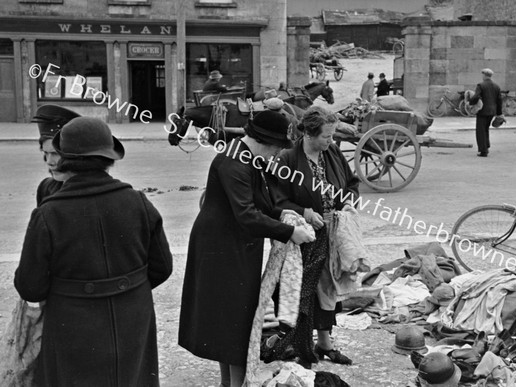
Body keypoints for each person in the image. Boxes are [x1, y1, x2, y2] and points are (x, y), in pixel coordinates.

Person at [14, 117, 173, 386]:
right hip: (132, 317)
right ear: (108, 157)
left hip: (71, 322)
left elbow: (30, 286)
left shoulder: (48, 214)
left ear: (64, 158)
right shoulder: (138, 203)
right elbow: (162, 267)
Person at [178, 110, 315, 387]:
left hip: (233, 245)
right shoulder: (235, 163)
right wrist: (290, 232)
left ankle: (231, 383)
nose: (277, 155)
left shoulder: (246, 157)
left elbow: (263, 204)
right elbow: (247, 215)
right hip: (222, 249)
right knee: (236, 323)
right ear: (267, 143)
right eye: (277, 149)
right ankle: (235, 384)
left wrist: (287, 215)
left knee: (232, 320)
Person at [271, 106, 360, 368]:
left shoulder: (331, 153)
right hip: (303, 238)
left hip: (333, 233)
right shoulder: (287, 159)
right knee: (302, 294)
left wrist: (348, 204)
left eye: (332, 136)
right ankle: (301, 346)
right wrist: (305, 212)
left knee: (328, 292)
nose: (331, 141)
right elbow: (275, 202)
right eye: (327, 136)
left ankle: (324, 344)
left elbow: (351, 184)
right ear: (309, 134)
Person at [31, 104, 80, 205]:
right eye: (45, 153)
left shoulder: (101, 193)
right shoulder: (46, 188)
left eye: (55, 153)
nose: (49, 162)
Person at [468, 68, 503, 157]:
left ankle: (483, 151)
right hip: (492, 111)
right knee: (486, 129)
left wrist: (470, 103)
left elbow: (476, 97)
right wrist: (499, 113)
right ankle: (486, 146)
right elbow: (499, 101)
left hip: (482, 111)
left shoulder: (481, 85)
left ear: (484, 75)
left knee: (480, 130)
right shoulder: (496, 86)